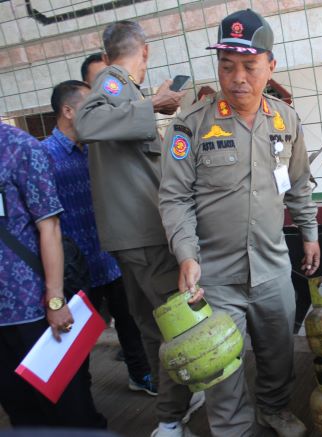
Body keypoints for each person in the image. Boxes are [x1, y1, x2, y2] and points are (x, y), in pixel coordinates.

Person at [159, 9, 320, 437]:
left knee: (278, 352)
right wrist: (186, 256)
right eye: (227, 66)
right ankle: (235, 430)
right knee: (221, 368)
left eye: (249, 66)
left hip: (272, 268)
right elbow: (174, 198)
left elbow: (300, 183)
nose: (238, 77)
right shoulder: (191, 125)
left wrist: (309, 234)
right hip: (214, 274)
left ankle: (273, 408)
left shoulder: (287, 121)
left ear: (271, 65)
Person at [74, 21, 204, 437]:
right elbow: (88, 124)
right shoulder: (114, 82)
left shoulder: (127, 93)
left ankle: (176, 401)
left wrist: (152, 104)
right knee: (177, 325)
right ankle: (171, 417)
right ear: (144, 52)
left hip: (132, 236)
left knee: (152, 327)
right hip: (145, 235)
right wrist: (152, 104)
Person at [42, 80, 156, 396]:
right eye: (89, 105)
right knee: (74, 336)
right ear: (67, 111)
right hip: (73, 266)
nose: (97, 113)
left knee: (131, 321)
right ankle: (79, 393)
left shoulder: (99, 148)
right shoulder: (43, 156)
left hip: (112, 255)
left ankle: (141, 374)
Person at [0, 121, 106, 429]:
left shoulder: (20, 148)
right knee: (19, 409)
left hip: (31, 307)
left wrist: (56, 300)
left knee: (69, 408)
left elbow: (50, 226)